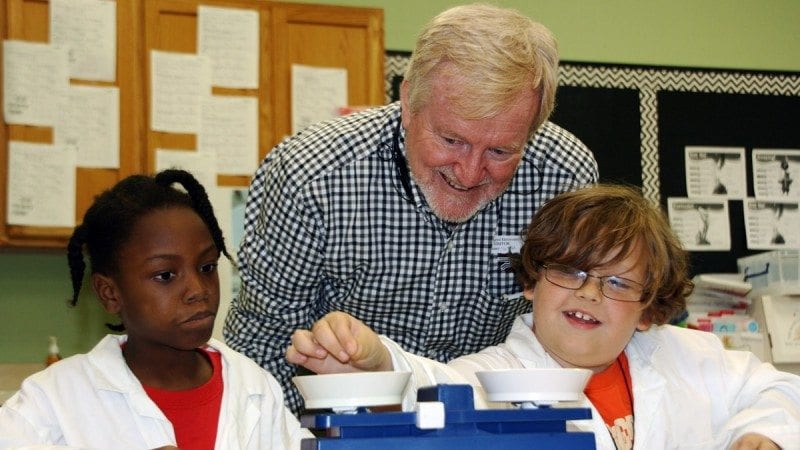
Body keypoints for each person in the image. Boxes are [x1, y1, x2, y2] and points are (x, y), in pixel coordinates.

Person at [224, 3, 599, 415]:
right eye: (452, 140)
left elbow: (567, 330)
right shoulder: (313, 175)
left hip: (496, 424)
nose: (470, 173)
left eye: (499, 150)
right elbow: (262, 344)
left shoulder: (563, 176)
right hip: (343, 426)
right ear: (407, 100)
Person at [287, 184, 800, 450]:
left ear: (649, 311)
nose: (591, 293)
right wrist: (375, 365)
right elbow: (429, 386)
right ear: (531, 281)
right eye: (572, 271)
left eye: (619, 282)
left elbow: (778, 390)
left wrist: (761, 434)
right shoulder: (492, 377)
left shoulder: (690, 358)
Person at [0, 170, 310, 449]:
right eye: (166, 275)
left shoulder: (254, 386)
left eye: (206, 267)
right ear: (110, 294)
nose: (198, 290)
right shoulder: (56, 397)